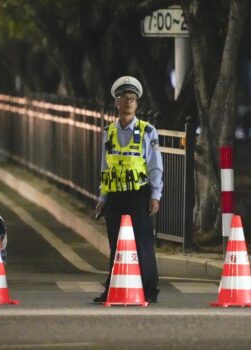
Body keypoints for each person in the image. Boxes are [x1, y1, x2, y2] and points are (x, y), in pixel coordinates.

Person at [94, 76, 163, 303]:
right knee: (116, 244)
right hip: (115, 195)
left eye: (133, 99)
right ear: (117, 102)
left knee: (143, 242)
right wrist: (103, 197)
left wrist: (155, 195)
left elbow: (155, 166)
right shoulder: (109, 131)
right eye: (125, 98)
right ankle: (113, 287)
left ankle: (149, 289)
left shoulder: (147, 131)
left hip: (138, 194)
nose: (129, 102)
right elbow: (106, 166)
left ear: (137, 104)